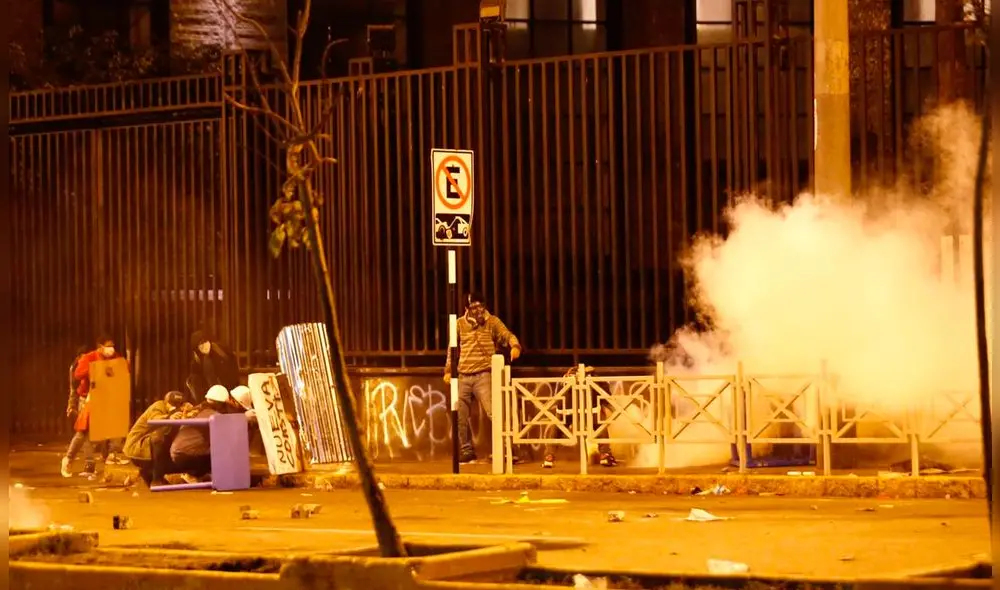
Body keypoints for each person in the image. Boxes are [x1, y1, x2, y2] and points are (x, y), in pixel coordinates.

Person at [444, 292, 522, 464]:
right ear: (467, 309)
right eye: (474, 307)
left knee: (495, 412)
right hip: (463, 375)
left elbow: (506, 334)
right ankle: (466, 450)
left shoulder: (492, 322)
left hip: (484, 374)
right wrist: (449, 370)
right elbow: (452, 348)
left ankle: (507, 450)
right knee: (459, 414)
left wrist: (514, 345)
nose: (478, 311)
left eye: (481, 306)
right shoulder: (459, 324)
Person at [60, 335, 129, 478]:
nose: (111, 349)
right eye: (108, 346)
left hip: (108, 399)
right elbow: (78, 374)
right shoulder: (89, 357)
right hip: (89, 399)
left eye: (113, 345)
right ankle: (71, 460)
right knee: (85, 432)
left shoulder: (116, 357)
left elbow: (124, 370)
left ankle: (111, 455)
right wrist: (98, 369)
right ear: (100, 347)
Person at [541, 366, 618, 469]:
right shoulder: (594, 377)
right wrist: (613, 408)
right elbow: (606, 395)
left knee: (556, 430)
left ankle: (549, 457)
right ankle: (605, 455)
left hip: (566, 410)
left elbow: (557, 397)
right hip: (589, 410)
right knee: (600, 426)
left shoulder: (565, 377)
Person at [124, 391, 188, 487]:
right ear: (166, 402)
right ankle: (156, 479)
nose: (176, 407)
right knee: (159, 438)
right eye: (172, 405)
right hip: (136, 447)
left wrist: (190, 410)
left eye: (179, 405)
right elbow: (154, 419)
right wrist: (169, 416)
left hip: (149, 449)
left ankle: (148, 473)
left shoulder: (180, 410)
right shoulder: (158, 406)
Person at [168, 385, 231, 480]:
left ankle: (194, 475)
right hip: (186, 455)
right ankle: (192, 475)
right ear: (220, 403)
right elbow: (229, 427)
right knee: (222, 450)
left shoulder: (196, 409)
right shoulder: (212, 414)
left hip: (176, 453)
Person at [187, 330, 240, 399]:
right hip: (211, 395)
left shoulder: (220, 350)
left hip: (230, 390)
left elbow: (233, 366)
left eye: (205, 342)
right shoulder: (197, 362)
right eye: (200, 345)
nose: (204, 346)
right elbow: (197, 384)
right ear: (196, 348)